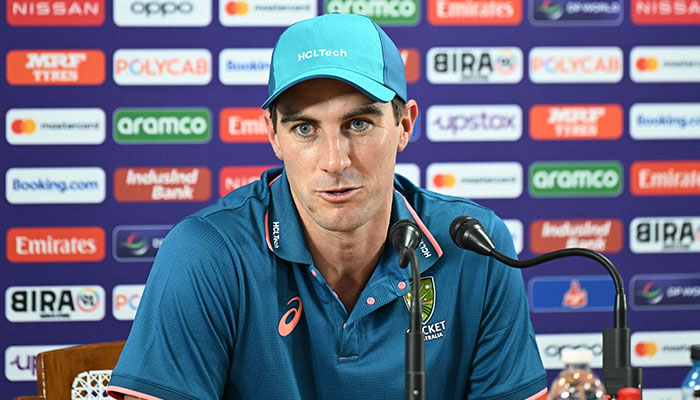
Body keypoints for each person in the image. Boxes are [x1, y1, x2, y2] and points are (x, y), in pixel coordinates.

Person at [107, 13, 547, 400]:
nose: (335, 161)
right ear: (273, 135)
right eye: (304, 129)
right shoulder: (207, 252)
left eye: (358, 123)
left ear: (404, 125)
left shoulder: (474, 244)